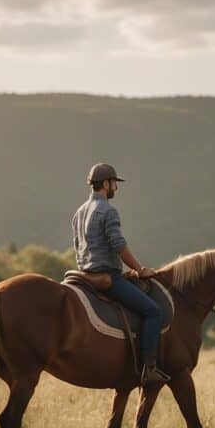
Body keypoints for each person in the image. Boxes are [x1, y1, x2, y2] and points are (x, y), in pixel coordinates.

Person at [71, 163, 167, 386]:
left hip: (84, 275)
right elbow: (118, 245)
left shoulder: (78, 212)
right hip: (107, 277)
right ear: (105, 184)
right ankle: (148, 369)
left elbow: (77, 247)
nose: (116, 187)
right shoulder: (107, 210)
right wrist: (140, 269)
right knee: (153, 311)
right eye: (114, 183)